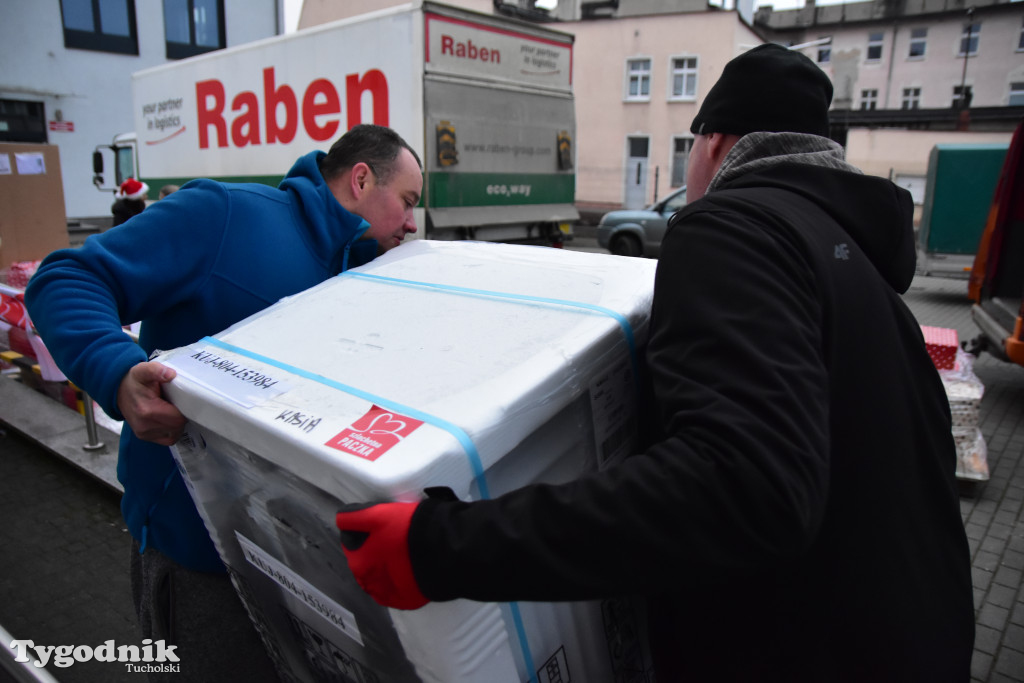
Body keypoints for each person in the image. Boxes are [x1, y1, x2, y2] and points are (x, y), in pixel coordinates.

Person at [335, 45, 975, 681]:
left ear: (716, 143)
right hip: (920, 637)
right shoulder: (865, 275)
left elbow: (743, 486)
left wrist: (443, 548)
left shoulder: (735, 227)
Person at [26, 124, 422, 682]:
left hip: (295, 562)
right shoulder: (225, 215)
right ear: (360, 179)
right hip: (199, 562)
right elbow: (66, 278)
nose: (411, 222)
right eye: (406, 202)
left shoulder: (355, 271)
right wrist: (117, 374)